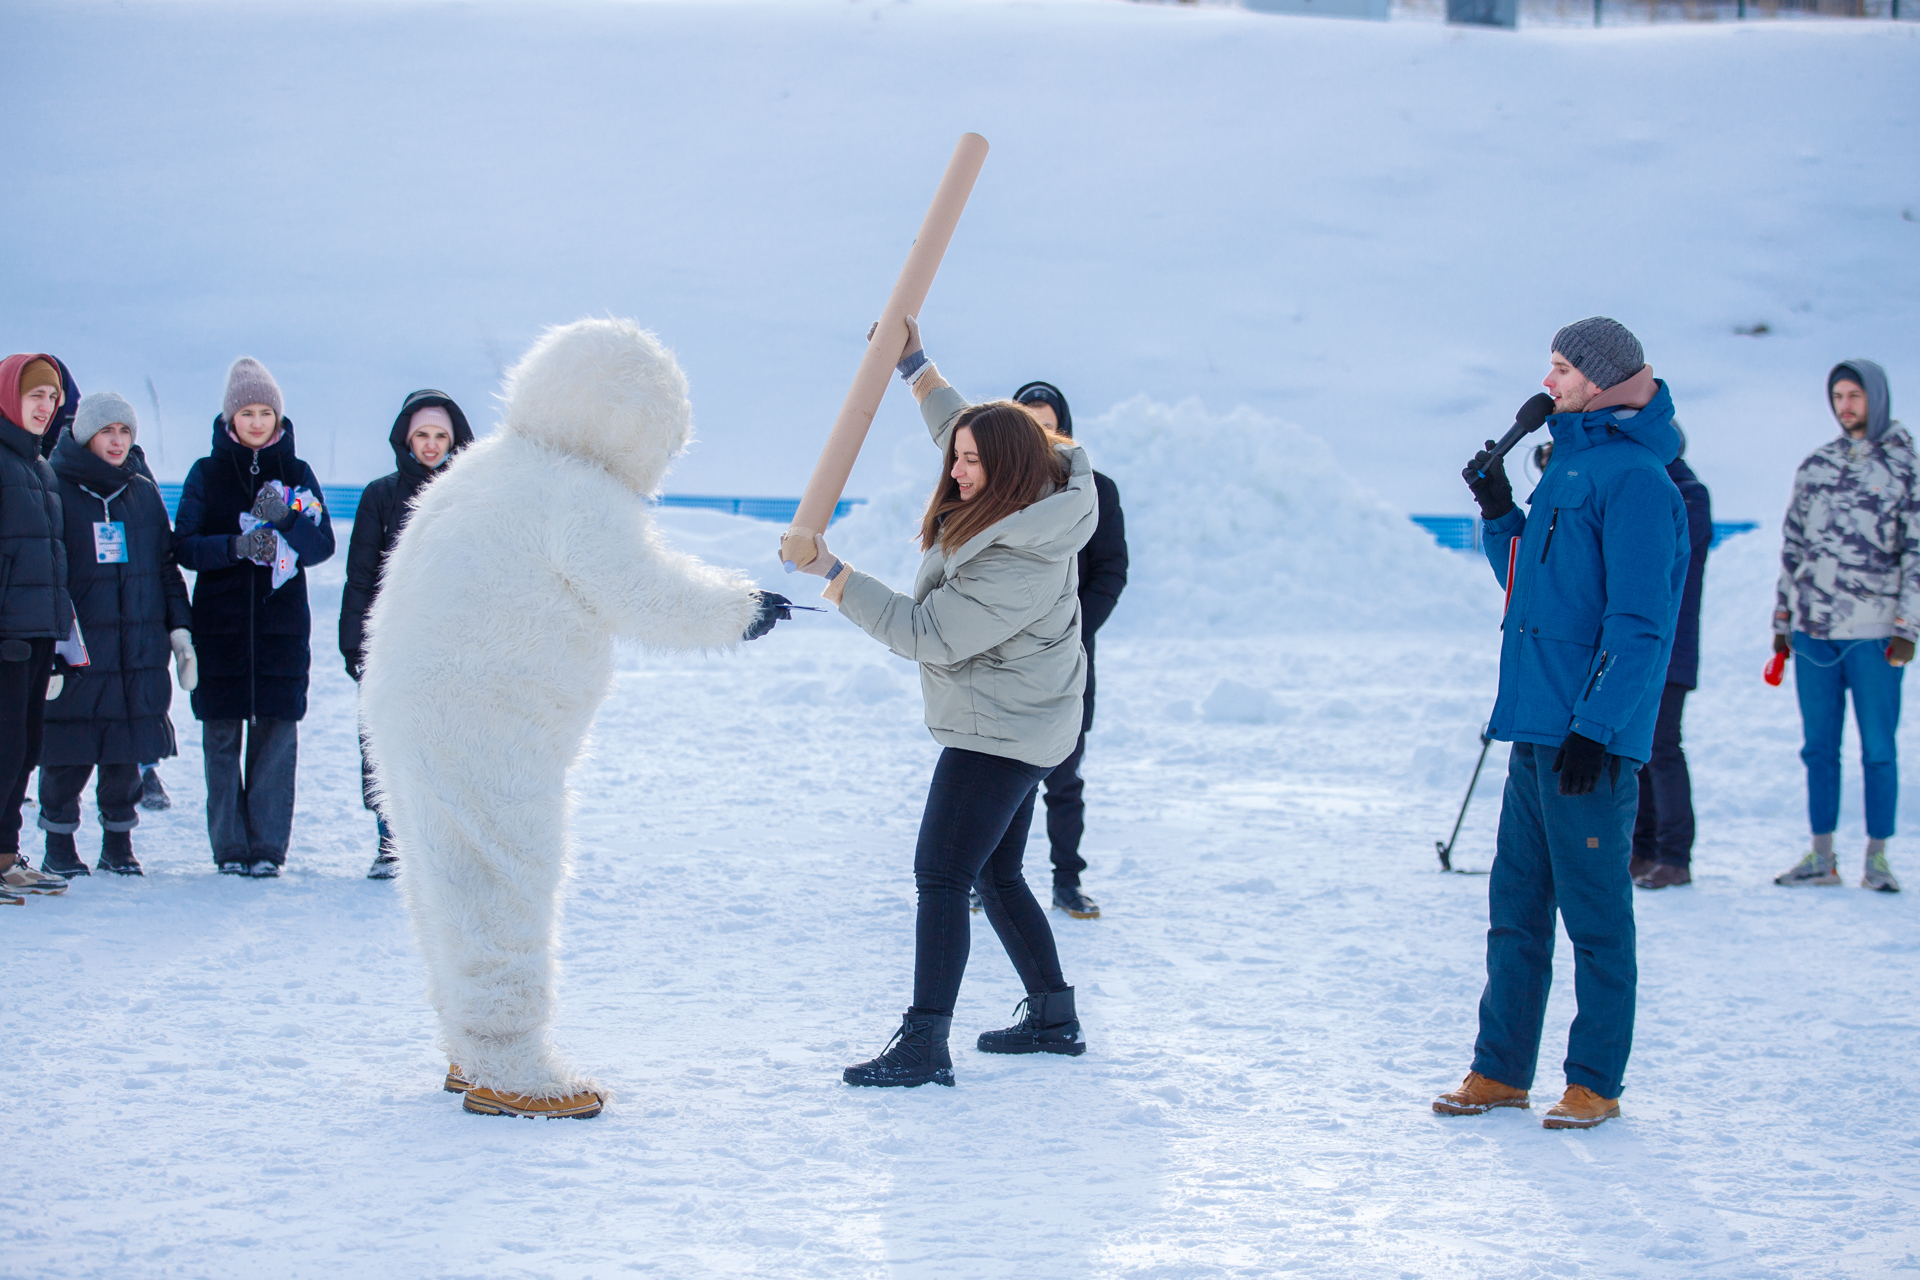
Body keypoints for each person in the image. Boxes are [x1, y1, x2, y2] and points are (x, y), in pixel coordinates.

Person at [360, 318, 791, 1121]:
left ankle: (470, 1046)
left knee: (447, 878)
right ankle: (507, 1060)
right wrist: (739, 609)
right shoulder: (574, 491)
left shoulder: (479, 470)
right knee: (505, 878)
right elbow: (645, 593)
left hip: (412, 706)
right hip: (491, 718)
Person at [792, 315, 1097, 1090]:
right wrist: (917, 367)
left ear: (1009, 469)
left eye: (971, 464)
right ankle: (1055, 1019)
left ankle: (925, 1045)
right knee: (996, 874)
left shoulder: (1019, 560)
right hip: (1027, 714)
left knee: (941, 874)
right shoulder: (1043, 484)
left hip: (1000, 726)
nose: (957, 471)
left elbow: (928, 633)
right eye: (956, 458)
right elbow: (970, 435)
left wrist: (833, 571)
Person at [1435, 317, 1688, 1130]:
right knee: (1516, 911)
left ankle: (1594, 1082)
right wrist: (1502, 509)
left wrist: (1599, 723)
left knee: (1595, 918)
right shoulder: (1568, 467)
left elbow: (1641, 622)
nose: (1549, 380)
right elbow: (1531, 591)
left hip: (1587, 742)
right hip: (1536, 729)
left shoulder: (1639, 481)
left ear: (1604, 378)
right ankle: (1501, 1070)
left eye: (1563, 367)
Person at [172, 358, 335, 877]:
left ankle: (266, 848)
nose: (258, 421)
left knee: (275, 739)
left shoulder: (298, 473)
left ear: (279, 417)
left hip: (280, 633)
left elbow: (321, 547)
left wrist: (284, 515)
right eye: (248, 412)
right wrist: (237, 546)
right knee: (220, 740)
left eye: (267, 412)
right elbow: (185, 546)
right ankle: (229, 848)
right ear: (230, 418)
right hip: (220, 631)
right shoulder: (207, 472)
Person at [37, 393, 195, 878]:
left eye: (125, 431)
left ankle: (119, 844)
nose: (118, 440)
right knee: (68, 749)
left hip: (136, 646)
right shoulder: (54, 485)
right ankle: (59, 846)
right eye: (108, 431)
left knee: (125, 749)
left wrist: (180, 630)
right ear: (86, 434)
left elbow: (165, 566)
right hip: (80, 649)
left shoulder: (142, 491)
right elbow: (43, 571)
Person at [1773, 360, 1912, 893]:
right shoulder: (1817, 465)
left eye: (1856, 395)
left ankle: (1877, 857)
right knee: (1818, 747)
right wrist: (1783, 620)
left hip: (1876, 632)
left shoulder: (1906, 468)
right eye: (1838, 396)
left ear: (1876, 397)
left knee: (1878, 746)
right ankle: (1821, 855)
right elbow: (1793, 548)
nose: (1846, 405)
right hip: (1815, 631)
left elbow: (1917, 552)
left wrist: (1908, 626)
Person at [341, 390, 475, 879]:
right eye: (423, 435)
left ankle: (446, 846)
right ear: (406, 438)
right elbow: (362, 575)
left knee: (450, 744)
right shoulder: (381, 495)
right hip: (394, 642)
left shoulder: (473, 494)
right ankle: (390, 841)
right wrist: (356, 644)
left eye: (441, 436)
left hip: (455, 644)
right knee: (392, 741)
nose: (432, 445)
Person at [1009, 380, 1127, 920]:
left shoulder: (1096, 489)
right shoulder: (998, 487)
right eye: (1029, 422)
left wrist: (1072, 633)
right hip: (1003, 659)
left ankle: (1066, 881)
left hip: (1070, 659)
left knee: (1064, 775)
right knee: (998, 776)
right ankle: (983, 878)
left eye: (1049, 422)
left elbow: (1109, 573)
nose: (1042, 432)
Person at [0, 354, 77, 901]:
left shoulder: (41, 468)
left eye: (51, 398)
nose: (45, 407)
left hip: (36, 634)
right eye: (34, 396)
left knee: (24, 751)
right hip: (6, 636)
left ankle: (6, 857)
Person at [1630, 430, 1712, 890]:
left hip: (1673, 645)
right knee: (1639, 750)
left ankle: (1675, 856)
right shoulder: (1652, 486)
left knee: (1662, 748)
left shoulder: (1690, 495)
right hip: (1643, 642)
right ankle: (1642, 849)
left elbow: (1661, 546)